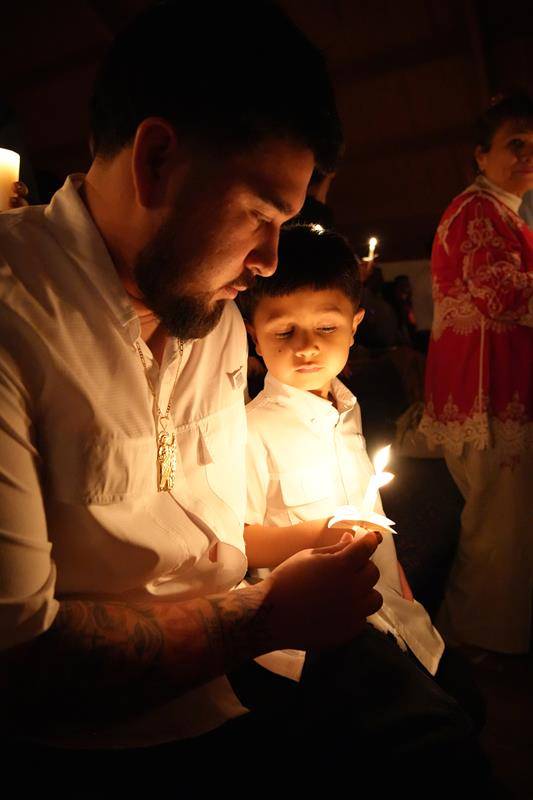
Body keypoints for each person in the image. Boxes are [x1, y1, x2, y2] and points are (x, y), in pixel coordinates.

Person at [0, 2, 491, 793]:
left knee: (447, 736)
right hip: (113, 738)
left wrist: (310, 533)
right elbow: (18, 661)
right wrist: (267, 615)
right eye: (261, 215)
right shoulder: (17, 321)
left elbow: (208, 532)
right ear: (157, 159)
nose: (267, 261)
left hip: (255, 661)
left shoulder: (215, 321)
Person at [238, 224, 444, 683]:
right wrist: (322, 532)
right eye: (283, 330)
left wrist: (404, 593)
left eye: (326, 327)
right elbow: (240, 541)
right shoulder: (251, 430)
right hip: (317, 636)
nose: (306, 345)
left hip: (394, 613)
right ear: (254, 336)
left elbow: (375, 514)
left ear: (355, 326)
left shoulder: (347, 410)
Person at [420, 92, 533, 656]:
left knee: (506, 525)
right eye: (515, 144)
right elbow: (500, 294)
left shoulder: (504, 212)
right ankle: (475, 645)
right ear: (480, 155)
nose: (527, 156)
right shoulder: (479, 210)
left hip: (497, 390)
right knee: (499, 530)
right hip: (483, 395)